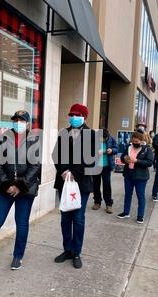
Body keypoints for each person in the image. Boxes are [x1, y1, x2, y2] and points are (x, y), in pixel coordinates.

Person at [0, 110, 42, 271]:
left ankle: (18, 256)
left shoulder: (34, 140)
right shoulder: (3, 138)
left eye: (21, 120)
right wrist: (7, 185)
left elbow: (35, 166)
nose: (18, 123)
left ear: (28, 124)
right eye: (15, 120)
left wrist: (20, 185)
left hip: (25, 190)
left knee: (22, 224)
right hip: (5, 189)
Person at [52, 103, 97, 269]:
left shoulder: (91, 135)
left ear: (84, 117)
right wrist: (64, 171)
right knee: (65, 219)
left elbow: (90, 159)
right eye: (72, 114)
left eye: (77, 115)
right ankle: (68, 250)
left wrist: (74, 173)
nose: (74, 117)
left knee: (78, 219)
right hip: (64, 182)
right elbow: (56, 154)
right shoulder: (63, 133)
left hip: (81, 184)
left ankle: (77, 252)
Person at [117, 132, 154, 224]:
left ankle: (140, 216)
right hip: (128, 174)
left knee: (140, 195)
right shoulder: (128, 147)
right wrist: (124, 159)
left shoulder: (146, 149)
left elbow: (149, 162)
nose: (134, 143)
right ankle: (126, 212)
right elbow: (122, 157)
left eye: (136, 141)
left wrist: (137, 161)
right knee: (128, 194)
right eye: (133, 141)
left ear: (141, 141)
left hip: (140, 176)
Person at [92, 128, 118, 213]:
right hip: (96, 166)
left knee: (106, 185)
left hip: (106, 166)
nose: (102, 140)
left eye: (104, 138)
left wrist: (112, 150)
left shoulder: (112, 139)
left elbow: (116, 149)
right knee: (96, 185)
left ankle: (108, 204)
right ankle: (97, 201)